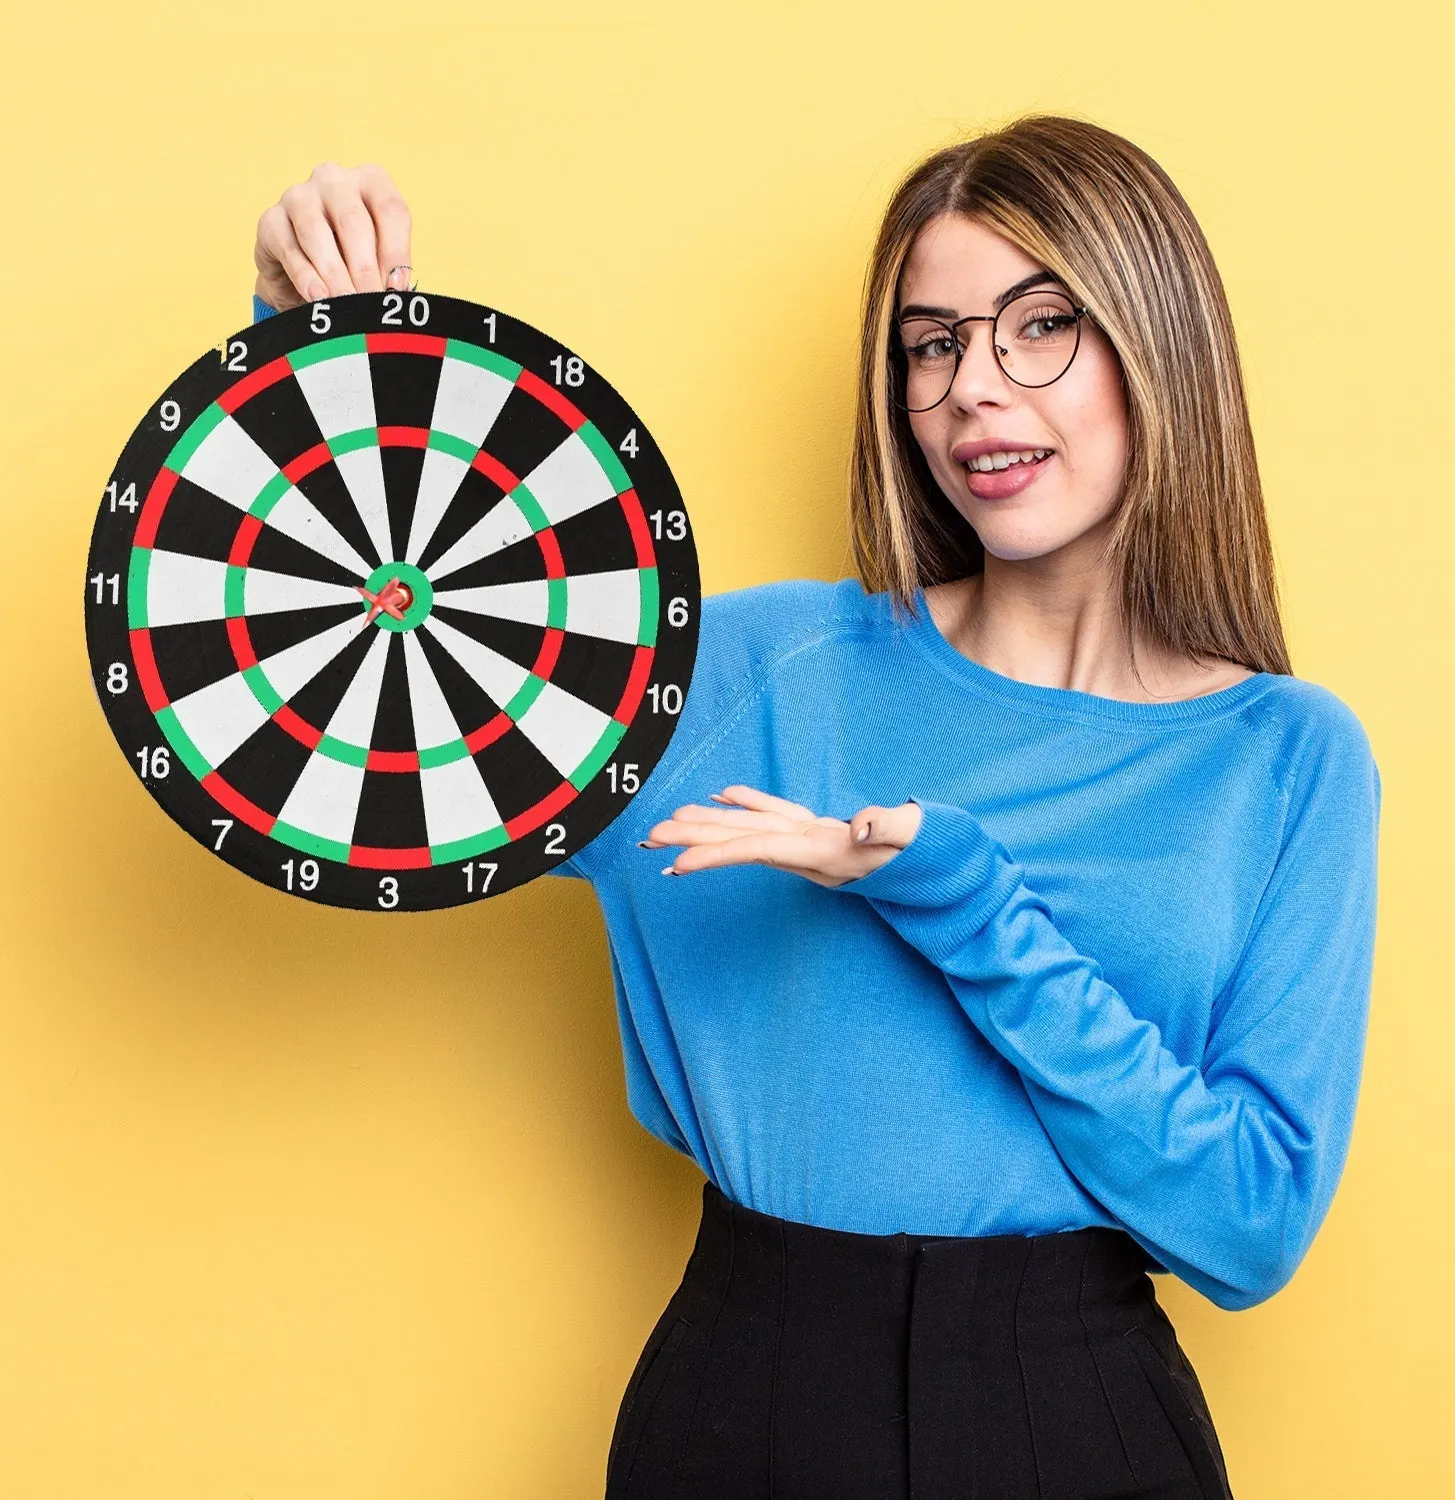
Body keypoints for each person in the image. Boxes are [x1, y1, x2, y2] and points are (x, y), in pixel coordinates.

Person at [249, 115, 1381, 1499]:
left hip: (1080, 1418)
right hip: (749, 1395)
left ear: (1161, 346)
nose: (975, 386)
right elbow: (350, 694)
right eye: (932, 342)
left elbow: (1248, 1224)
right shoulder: (752, 670)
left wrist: (964, 901)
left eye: (1040, 327)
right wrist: (322, 362)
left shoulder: (1284, 758)